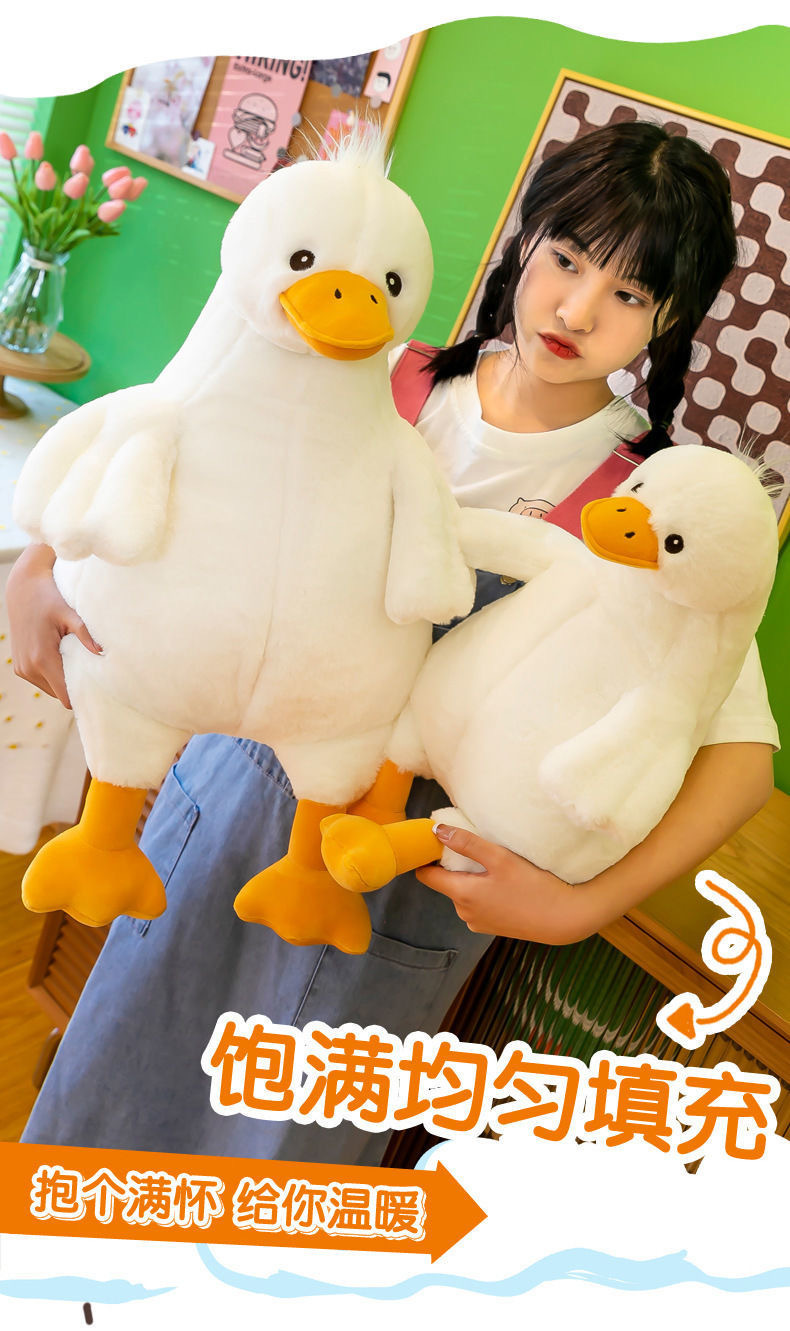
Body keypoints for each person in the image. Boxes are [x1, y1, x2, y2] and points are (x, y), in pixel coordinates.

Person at [10, 121, 777, 1159]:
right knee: (117, 1073)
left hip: (402, 867)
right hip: (233, 779)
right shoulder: (375, 368)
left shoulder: (647, 499)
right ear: (525, 240)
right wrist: (37, 566)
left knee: (285, 1150)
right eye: (565, 258)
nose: (576, 310)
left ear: (670, 316)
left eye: (630, 293)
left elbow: (740, 756)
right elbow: (181, 423)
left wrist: (578, 906)